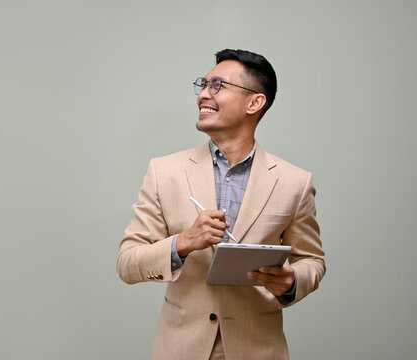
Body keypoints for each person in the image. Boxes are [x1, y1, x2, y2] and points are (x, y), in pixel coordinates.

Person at [116, 49, 326, 360]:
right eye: (203, 84)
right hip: (181, 350)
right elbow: (127, 263)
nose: (203, 94)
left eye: (218, 86)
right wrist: (183, 243)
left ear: (254, 102)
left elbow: (313, 260)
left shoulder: (294, 181)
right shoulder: (165, 172)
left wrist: (292, 281)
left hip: (258, 350)